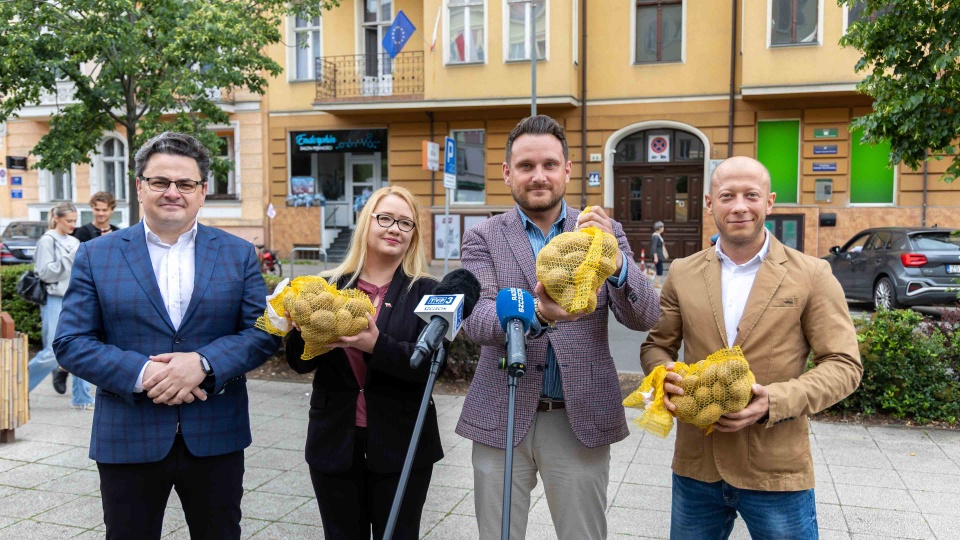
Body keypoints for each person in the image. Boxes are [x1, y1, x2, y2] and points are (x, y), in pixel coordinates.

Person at [53, 132, 279, 540]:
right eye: (160, 182)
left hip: (215, 435)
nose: (172, 192)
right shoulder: (97, 255)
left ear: (202, 191)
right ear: (139, 186)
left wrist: (204, 364)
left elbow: (261, 333)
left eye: (185, 183)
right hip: (128, 434)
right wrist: (144, 373)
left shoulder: (238, 253)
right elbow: (71, 342)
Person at [457, 115, 660, 540]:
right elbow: (475, 321)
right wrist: (539, 313)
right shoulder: (483, 237)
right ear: (507, 172)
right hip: (502, 413)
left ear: (567, 170)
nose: (538, 176)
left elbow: (644, 316)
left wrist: (618, 261)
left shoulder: (603, 231)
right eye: (526, 166)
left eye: (549, 165)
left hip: (578, 416)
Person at [640, 156, 863, 539]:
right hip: (697, 467)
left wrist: (773, 401)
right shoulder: (682, 272)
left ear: (770, 202)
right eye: (727, 196)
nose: (739, 205)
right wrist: (666, 376)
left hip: (776, 469)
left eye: (751, 195)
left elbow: (843, 364)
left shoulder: (811, 274)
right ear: (710, 204)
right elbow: (656, 346)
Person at [284, 186, 443, 540]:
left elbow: (431, 370)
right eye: (385, 218)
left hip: (403, 445)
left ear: (414, 234)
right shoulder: (326, 286)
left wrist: (376, 344)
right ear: (365, 224)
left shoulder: (430, 292)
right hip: (335, 441)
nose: (395, 228)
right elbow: (298, 364)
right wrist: (300, 331)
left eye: (406, 223)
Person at [26, 202, 94, 409]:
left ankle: (82, 398)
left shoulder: (73, 240)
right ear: (56, 219)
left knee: (81, 345)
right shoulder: (47, 241)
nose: (73, 224)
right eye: (69, 221)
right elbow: (45, 273)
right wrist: (71, 257)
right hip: (55, 298)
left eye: (75, 220)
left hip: (76, 297)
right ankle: (15, 388)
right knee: (52, 351)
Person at [52, 191, 121, 395]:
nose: (100, 214)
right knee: (83, 340)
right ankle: (81, 395)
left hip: (110, 293)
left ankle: (64, 371)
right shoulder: (81, 233)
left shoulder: (118, 232)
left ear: (111, 210)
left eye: (104, 210)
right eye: (96, 209)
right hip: (90, 291)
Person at [651, 220, 667, 288]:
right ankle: (656, 283)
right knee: (659, 269)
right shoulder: (655, 236)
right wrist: (655, 257)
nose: (663, 228)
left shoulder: (658, 236)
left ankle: (657, 282)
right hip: (657, 255)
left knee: (659, 268)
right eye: (662, 227)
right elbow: (654, 247)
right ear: (659, 228)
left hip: (659, 254)